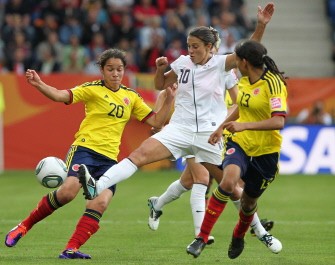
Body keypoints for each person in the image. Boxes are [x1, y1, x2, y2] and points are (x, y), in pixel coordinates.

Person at [79, 3, 275, 227]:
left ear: (209, 47)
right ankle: (98, 185)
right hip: (179, 128)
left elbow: (249, 50)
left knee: (228, 186)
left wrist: (260, 25)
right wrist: (160, 69)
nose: (190, 50)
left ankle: (259, 231)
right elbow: (161, 84)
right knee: (142, 155)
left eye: (195, 46)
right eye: (188, 46)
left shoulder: (222, 64)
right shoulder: (182, 63)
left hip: (208, 132)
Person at [4, 48, 176, 259]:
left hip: (110, 160)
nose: (115, 73)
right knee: (67, 192)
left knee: (100, 203)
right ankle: (24, 226)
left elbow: (157, 122)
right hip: (85, 149)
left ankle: (71, 249)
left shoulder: (131, 96)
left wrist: (170, 98)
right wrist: (39, 83)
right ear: (102, 71)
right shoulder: (92, 89)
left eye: (120, 69)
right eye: (110, 69)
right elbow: (60, 95)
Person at [147, 69, 275, 249]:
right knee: (205, 179)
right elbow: (157, 119)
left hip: (214, 137)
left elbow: (235, 108)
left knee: (189, 181)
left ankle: (157, 204)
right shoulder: (173, 85)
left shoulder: (218, 81)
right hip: (189, 135)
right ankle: (202, 235)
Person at [186, 39, 287, 260]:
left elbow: (279, 121)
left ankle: (238, 235)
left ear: (243, 62)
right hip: (240, 143)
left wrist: (244, 125)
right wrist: (222, 127)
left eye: (236, 60)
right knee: (228, 182)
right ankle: (201, 237)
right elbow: (240, 107)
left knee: (249, 203)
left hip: (266, 153)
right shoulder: (243, 80)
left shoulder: (273, 83)